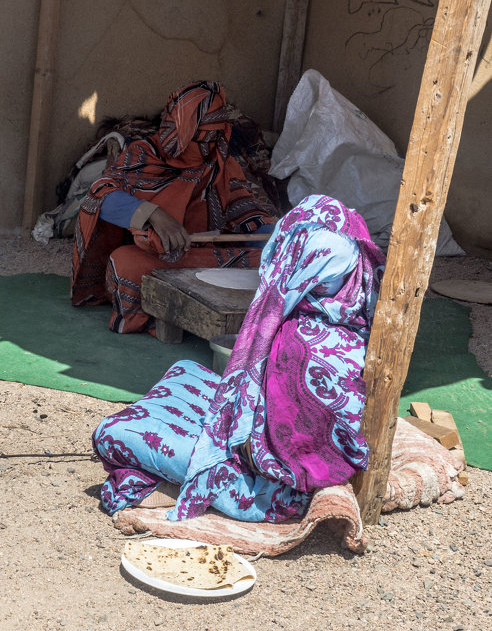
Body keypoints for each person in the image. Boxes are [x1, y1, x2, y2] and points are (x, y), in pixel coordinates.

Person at [91, 195, 386, 523]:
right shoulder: (354, 313)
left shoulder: (300, 345)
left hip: (262, 476)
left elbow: (272, 452)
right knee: (185, 369)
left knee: (112, 432)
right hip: (260, 433)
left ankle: (212, 479)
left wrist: (229, 430)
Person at [71, 80, 278, 333]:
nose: (207, 149)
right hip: (156, 259)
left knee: (273, 262)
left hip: (204, 257)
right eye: (200, 139)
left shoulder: (220, 165)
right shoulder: (142, 156)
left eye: (214, 139)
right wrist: (155, 215)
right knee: (125, 263)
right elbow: (99, 196)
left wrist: (273, 234)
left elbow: (243, 208)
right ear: (178, 132)